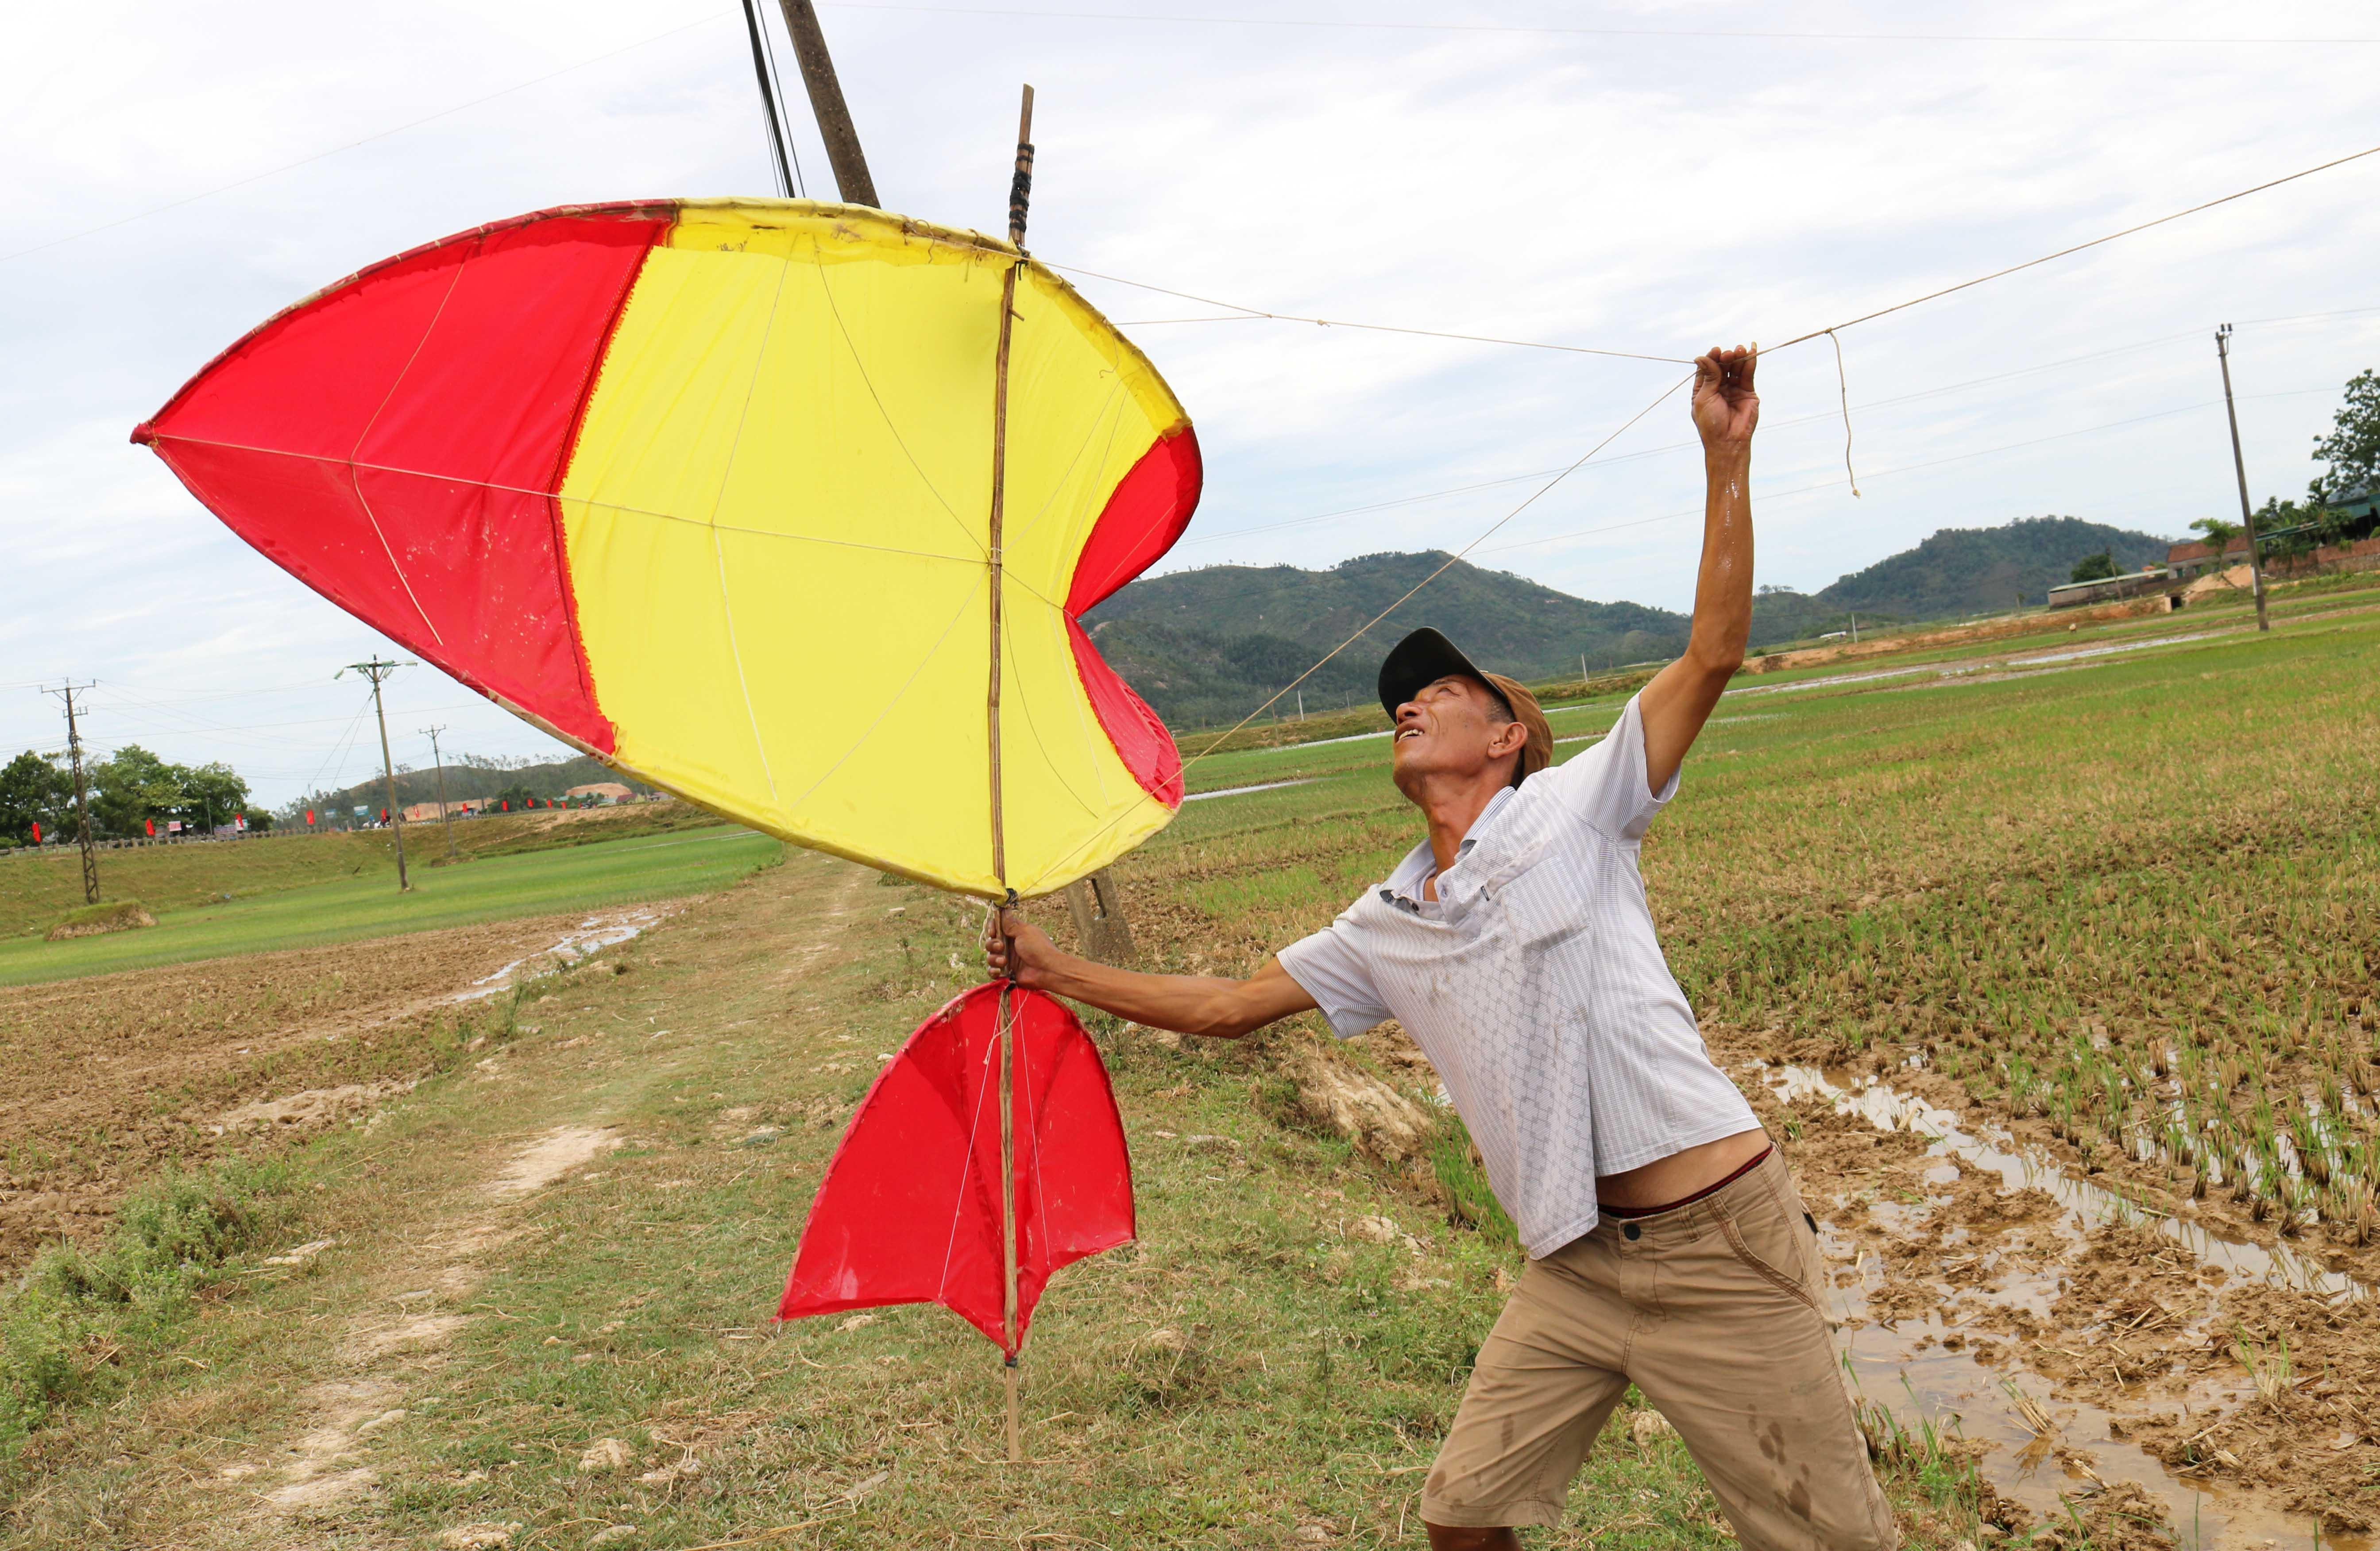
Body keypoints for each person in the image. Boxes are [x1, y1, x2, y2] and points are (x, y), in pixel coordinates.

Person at [985, 345, 1895, 1550]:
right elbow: (1225, 1006)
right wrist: (1055, 970)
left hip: (1717, 1239)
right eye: (1396, 704)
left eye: (1439, 691)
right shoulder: (1389, 920)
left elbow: (1713, 653)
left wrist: (1726, 458)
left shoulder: (1584, 806)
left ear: (1510, 734)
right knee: (1465, 1514)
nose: (1407, 703)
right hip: (1574, 1264)